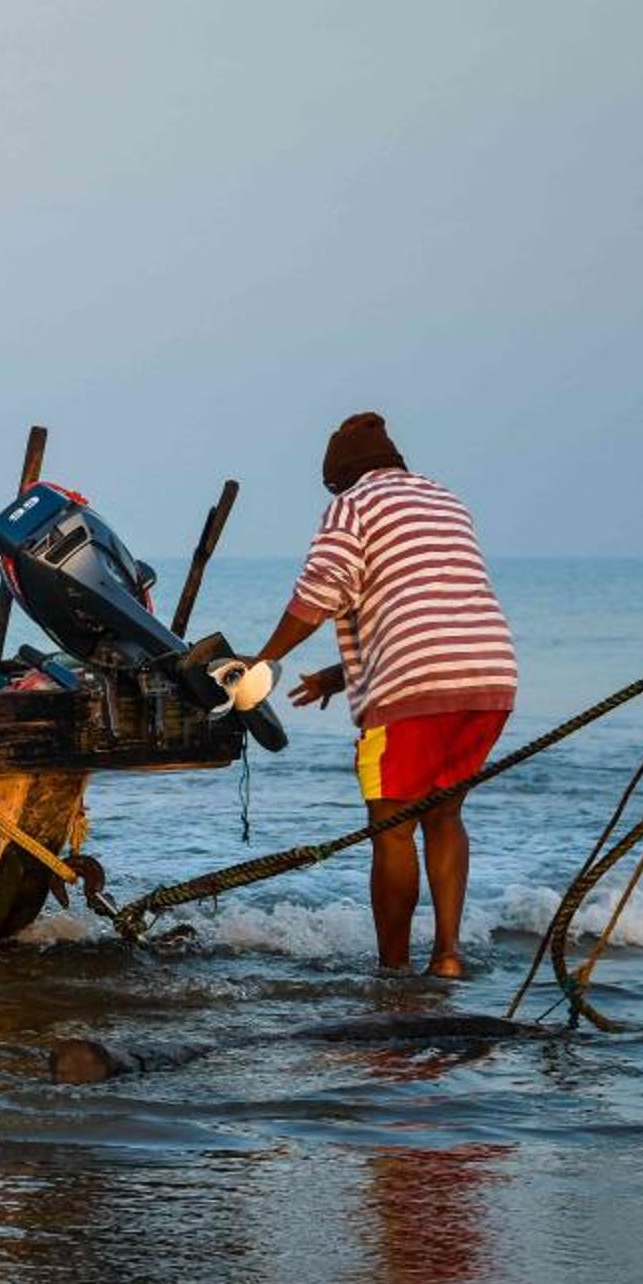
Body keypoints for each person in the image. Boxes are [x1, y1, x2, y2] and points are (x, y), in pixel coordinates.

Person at [240, 414, 517, 978]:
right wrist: (336, 676)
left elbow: (321, 590)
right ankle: (447, 957)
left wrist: (264, 659)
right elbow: (423, 607)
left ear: (339, 476)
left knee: (392, 828)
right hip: (488, 676)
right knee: (445, 815)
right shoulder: (444, 500)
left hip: (416, 682)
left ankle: (393, 974)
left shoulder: (354, 505)